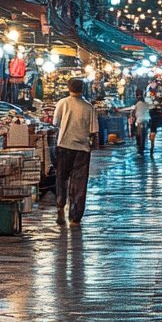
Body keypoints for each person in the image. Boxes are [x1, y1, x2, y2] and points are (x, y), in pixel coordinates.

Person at [52, 77, 99, 226]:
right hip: (82, 150)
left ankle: (60, 206)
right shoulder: (89, 107)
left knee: (61, 178)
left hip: (64, 146)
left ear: (68, 87)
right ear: (83, 89)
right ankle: (75, 217)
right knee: (79, 183)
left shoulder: (62, 103)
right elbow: (93, 131)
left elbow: (55, 123)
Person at [131, 89, 150, 155]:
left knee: (137, 133)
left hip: (139, 120)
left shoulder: (137, 103)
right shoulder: (146, 103)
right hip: (145, 120)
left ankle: (139, 143)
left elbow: (133, 111)